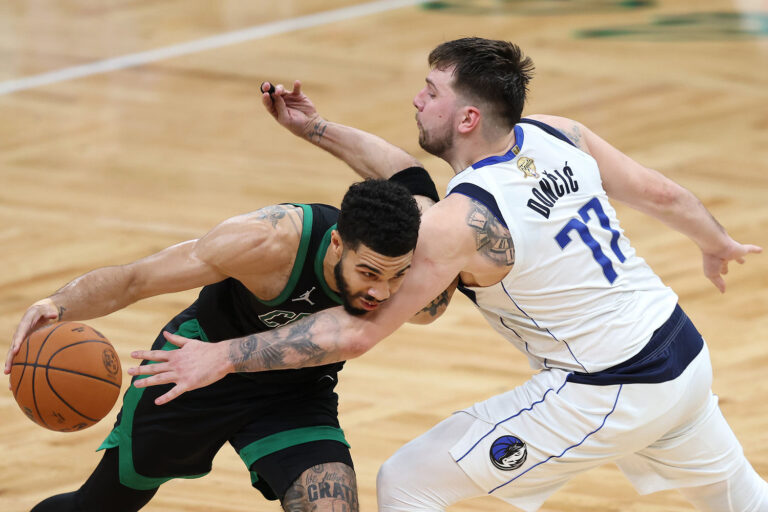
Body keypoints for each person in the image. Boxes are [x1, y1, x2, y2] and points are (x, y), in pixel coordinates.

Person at [129, 38, 767, 511]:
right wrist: (716, 243)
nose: (417, 97)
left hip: (609, 389)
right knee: (741, 494)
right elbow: (660, 194)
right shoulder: (556, 134)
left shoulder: (458, 222)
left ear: (467, 118)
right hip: (682, 354)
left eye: (432, 90)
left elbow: (357, 333)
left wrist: (225, 357)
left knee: (407, 483)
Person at [3, 80, 443, 512]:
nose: (381, 292)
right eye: (368, 273)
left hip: (295, 389)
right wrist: (57, 304)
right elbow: (136, 279)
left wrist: (316, 127)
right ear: (335, 244)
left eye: (396, 276)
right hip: (192, 367)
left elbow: (409, 175)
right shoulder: (266, 242)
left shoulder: (419, 249)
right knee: (98, 506)